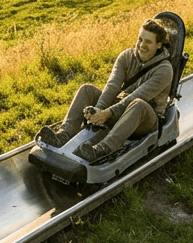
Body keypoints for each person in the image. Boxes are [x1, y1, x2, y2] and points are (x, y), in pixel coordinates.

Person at [36, 18, 174, 162]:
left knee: (138, 103)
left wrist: (108, 113)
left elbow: (137, 96)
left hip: (144, 119)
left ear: (159, 45)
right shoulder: (126, 56)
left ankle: (101, 150)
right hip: (119, 108)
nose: (141, 45)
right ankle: (63, 135)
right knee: (87, 89)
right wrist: (97, 111)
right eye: (140, 39)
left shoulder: (164, 70)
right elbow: (112, 86)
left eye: (148, 42)